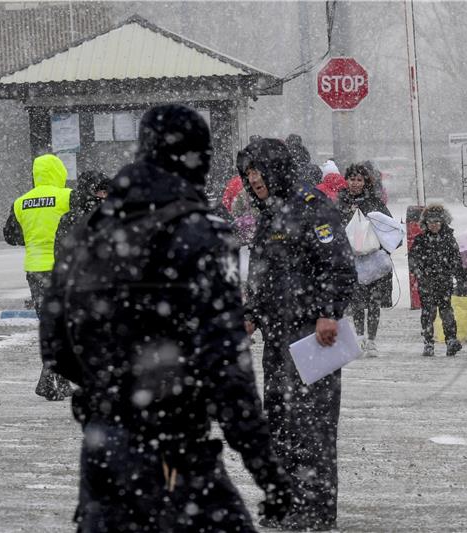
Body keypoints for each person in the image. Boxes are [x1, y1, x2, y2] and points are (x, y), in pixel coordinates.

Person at [39, 104, 291, 532]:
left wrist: (111, 384)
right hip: (177, 455)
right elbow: (228, 369)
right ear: (196, 157)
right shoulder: (203, 234)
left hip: (104, 450)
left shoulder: (89, 230)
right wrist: (268, 472)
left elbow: (56, 345)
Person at [239, 138, 356, 531]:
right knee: (280, 418)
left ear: (275, 170)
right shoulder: (269, 215)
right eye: (248, 173)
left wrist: (327, 312)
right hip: (277, 337)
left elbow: (338, 267)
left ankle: (317, 508)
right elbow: (261, 272)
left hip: (312, 336)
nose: (252, 180)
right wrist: (251, 311)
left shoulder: (314, 208)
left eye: (257, 171)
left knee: (313, 423)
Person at [3, 153, 72, 401]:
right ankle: (50, 379)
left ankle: (59, 382)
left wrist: (33, 238)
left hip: (35, 271)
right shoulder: (67, 197)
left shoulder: (21, 202)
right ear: (59, 172)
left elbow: (11, 236)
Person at [337, 163, 393, 357]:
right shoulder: (341, 202)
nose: (355, 183)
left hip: (373, 260)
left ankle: (371, 341)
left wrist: (383, 250)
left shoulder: (374, 203)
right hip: (352, 260)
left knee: (374, 302)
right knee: (358, 303)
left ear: (365, 181)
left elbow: (388, 227)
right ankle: (360, 339)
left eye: (359, 180)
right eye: (352, 179)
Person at [409, 204, 463, 357]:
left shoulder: (448, 239)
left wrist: (457, 276)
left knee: (446, 311)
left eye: (437, 221)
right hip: (426, 282)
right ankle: (428, 342)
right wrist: (419, 271)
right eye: (431, 221)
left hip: (444, 281)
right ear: (425, 223)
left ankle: (451, 340)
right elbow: (413, 259)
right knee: (428, 312)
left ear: (443, 222)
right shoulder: (420, 240)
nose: (434, 225)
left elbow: (456, 259)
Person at [54, 170, 110, 248]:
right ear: (90, 192)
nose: (105, 196)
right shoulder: (73, 218)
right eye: (103, 192)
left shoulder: (71, 217)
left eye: (107, 192)